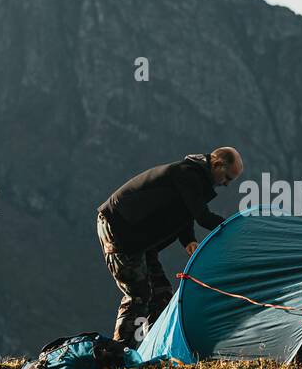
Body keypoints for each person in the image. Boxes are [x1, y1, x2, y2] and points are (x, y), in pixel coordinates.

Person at [96, 147, 244, 346]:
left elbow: (184, 211)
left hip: (139, 237)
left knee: (161, 294)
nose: (225, 184)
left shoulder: (193, 176)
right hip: (119, 228)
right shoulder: (188, 174)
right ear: (217, 164)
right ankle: (120, 354)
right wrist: (236, 229)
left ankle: (152, 347)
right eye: (227, 178)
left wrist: (188, 240)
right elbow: (202, 216)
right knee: (139, 294)